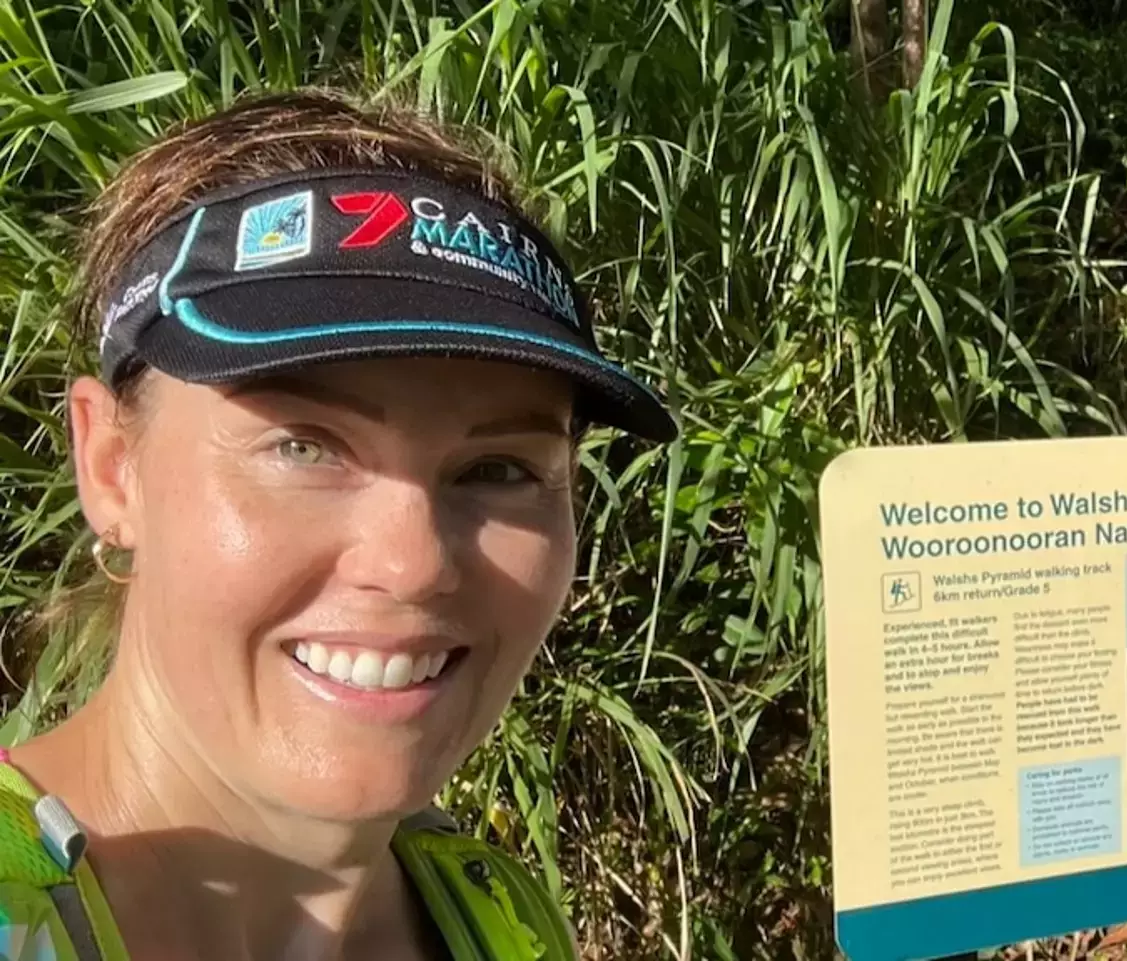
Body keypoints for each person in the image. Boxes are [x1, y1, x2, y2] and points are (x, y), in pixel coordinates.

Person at [0, 88, 676, 960]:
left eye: (500, 469)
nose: (414, 562)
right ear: (110, 467)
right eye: (304, 447)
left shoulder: (494, 915)